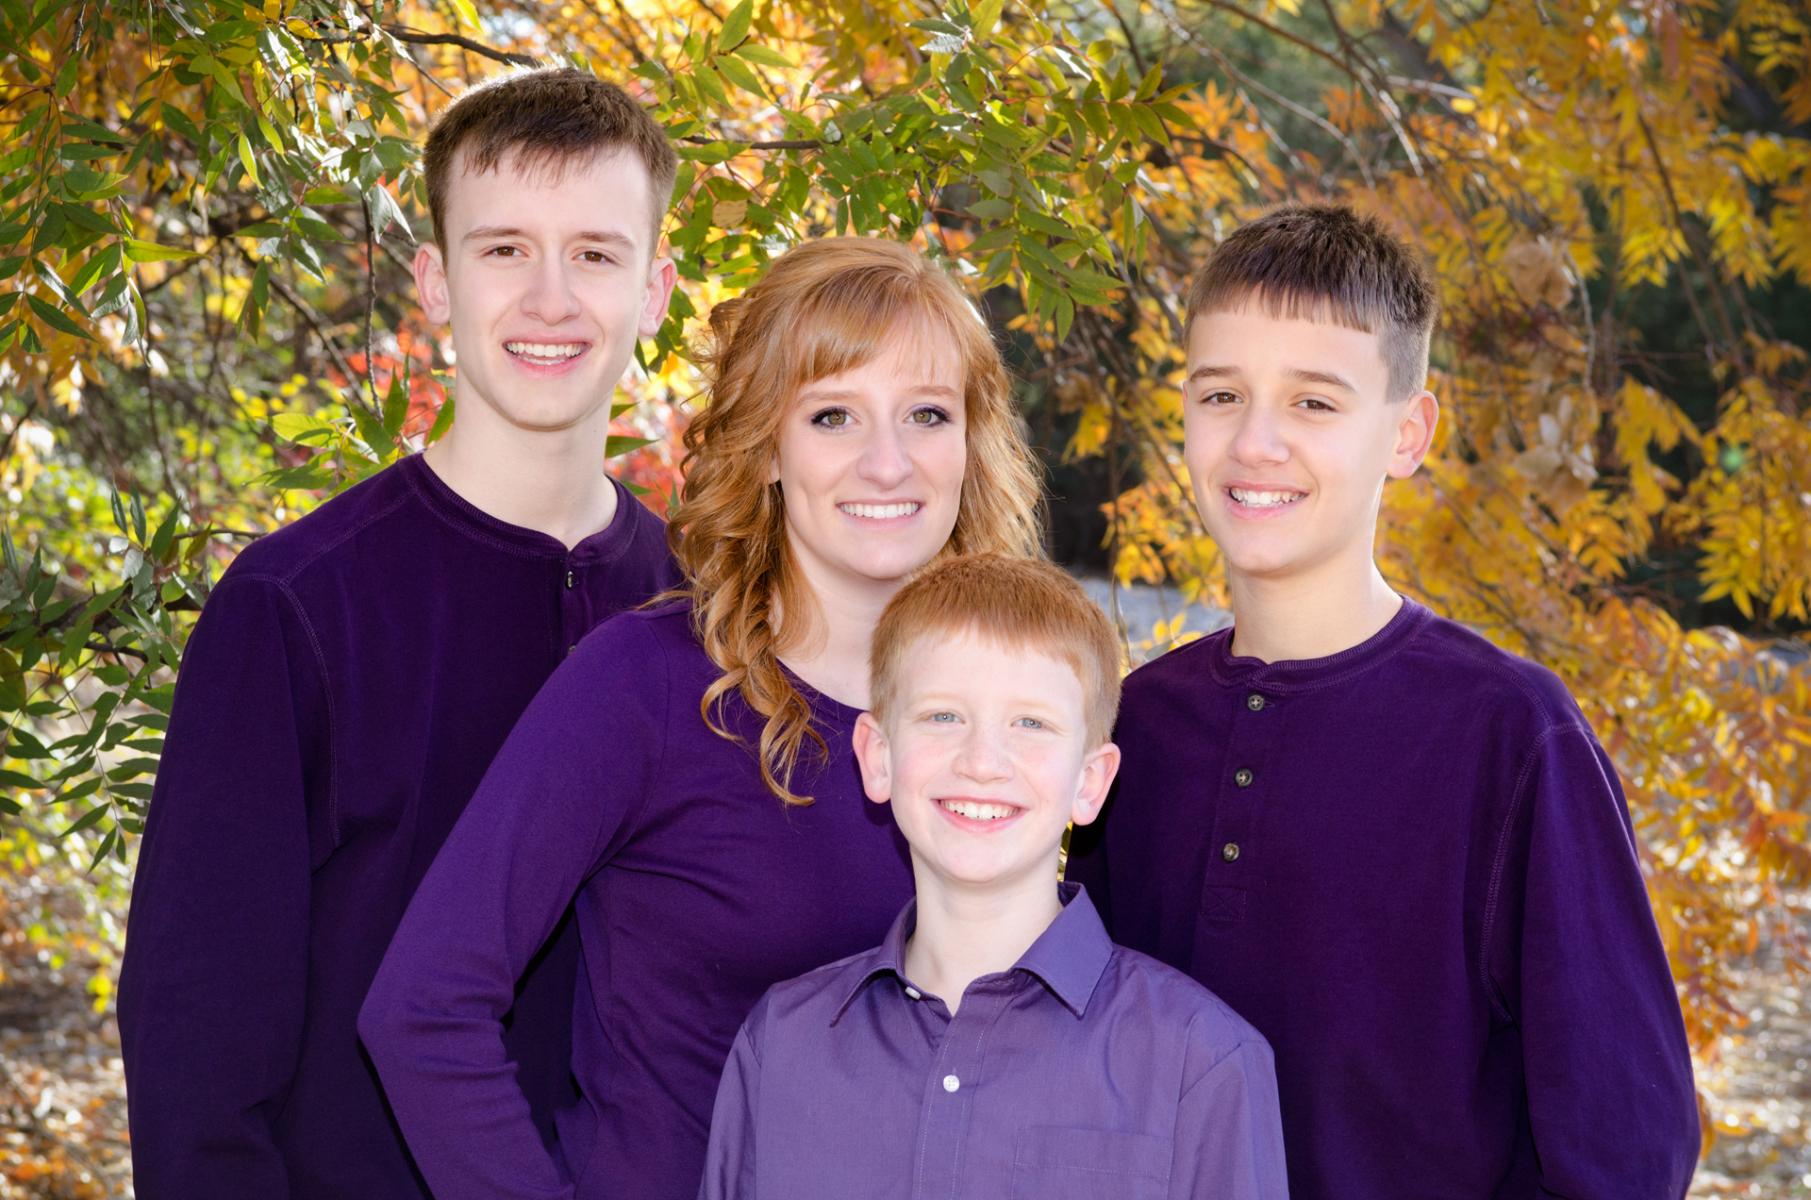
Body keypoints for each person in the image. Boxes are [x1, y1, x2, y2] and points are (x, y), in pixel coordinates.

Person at [357, 236, 1046, 1200]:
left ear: (970, 446)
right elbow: (423, 1011)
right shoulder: (646, 686)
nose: (887, 463)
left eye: (926, 415)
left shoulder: (1025, 714)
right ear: (767, 447)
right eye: (834, 416)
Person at [117, 68, 681, 1198]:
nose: (550, 298)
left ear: (657, 291)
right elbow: (195, 1047)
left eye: (596, 254)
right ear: (432, 282)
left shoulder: (699, 608)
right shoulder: (295, 606)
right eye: (504, 248)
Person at [1066, 203, 1701, 1198]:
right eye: (1220, 395)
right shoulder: (1129, 728)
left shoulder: (1510, 736)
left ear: (1406, 434)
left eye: (1314, 403)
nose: (1255, 443)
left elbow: (1625, 1147)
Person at [696, 553, 1288, 1200]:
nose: (982, 762)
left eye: (1030, 724)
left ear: (1089, 784)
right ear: (878, 757)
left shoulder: (1199, 1065)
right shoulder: (781, 1046)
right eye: (942, 716)